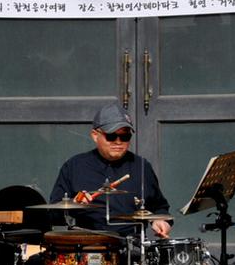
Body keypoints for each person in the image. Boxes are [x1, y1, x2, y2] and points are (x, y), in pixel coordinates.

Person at [49, 102, 171, 238]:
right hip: (87, 246)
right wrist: (74, 204)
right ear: (95, 135)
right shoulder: (74, 166)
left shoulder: (142, 166)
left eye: (125, 137)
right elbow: (54, 213)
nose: (118, 142)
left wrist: (161, 220)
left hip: (131, 246)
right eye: (111, 136)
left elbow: (159, 206)